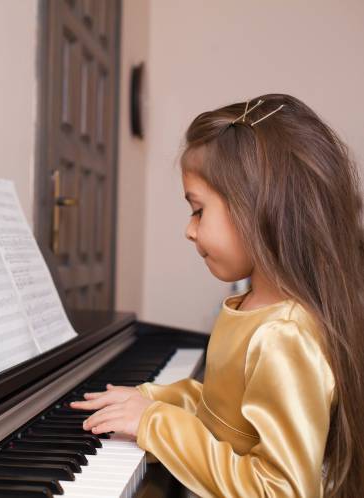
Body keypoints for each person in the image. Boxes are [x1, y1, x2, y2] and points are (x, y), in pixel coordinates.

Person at [71, 94, 364, 497]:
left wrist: (154, 422)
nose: (189, 230)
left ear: (254, 209)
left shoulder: (285, 337)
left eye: (198, 210)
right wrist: (149, 399)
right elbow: (221, 411)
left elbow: (280, 490)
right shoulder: (252, 308)